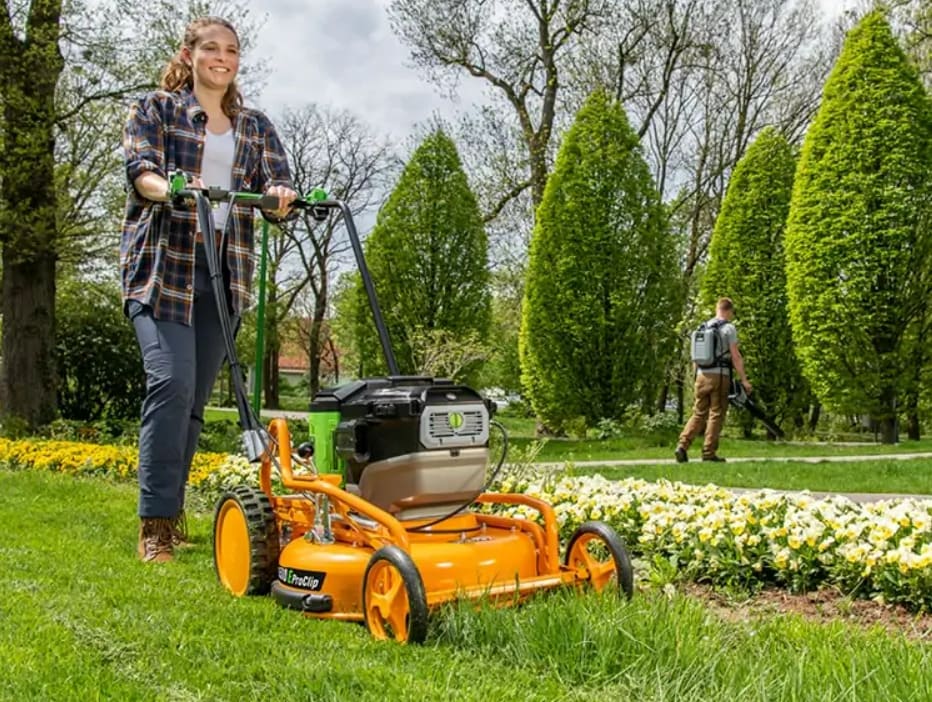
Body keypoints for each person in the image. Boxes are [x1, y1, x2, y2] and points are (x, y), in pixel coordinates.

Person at [121, 16, 297, 563]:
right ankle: (154, 525)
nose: (223, 58)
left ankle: (172, 517)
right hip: (163, 268)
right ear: (189, 54)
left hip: (225, 275)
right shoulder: (156, 109)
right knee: (170, 386)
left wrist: (281, 195)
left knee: (194, 402)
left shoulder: (255, 126)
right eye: (212, 49)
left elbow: (275, 181)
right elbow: (141, 170)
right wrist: (168, 186)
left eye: (232, 51)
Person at [675, 297, 752, 463]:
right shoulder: (729, 328)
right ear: (728, 310)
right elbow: (736, 356)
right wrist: (744, 380)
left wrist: (696, 377)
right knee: (716, 413)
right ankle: (709, 453)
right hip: (719, 375)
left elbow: (695, 357)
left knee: (698, 413)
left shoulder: (702, 327)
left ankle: (682, 446)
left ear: (717, 309)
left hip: (701, 375)